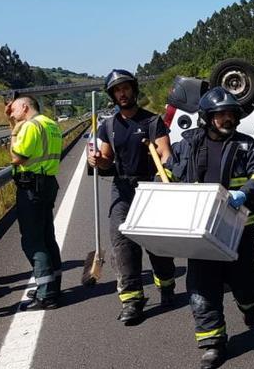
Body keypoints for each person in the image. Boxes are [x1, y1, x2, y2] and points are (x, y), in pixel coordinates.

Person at [167, 87, 254, 369]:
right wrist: (161, 179)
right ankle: (213, 343)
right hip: (199, 230)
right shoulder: (186, 146)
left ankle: (250, 302)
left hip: (237, 230)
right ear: (207, 117)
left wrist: (245, 193)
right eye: (221, 114)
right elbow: (168, 171)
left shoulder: (247, 146)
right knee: (201, 288)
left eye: (231, 114)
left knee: (244, 282)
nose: (228, 118)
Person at [88, 69, 175, 325]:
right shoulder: (109, 125)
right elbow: (106, 161)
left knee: (157, 245)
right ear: (112, 96)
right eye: (117, 90)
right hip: (122, 189)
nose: (122, 93)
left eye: (125, 88)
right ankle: (132, 300)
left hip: (150, 187)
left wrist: (165, 172)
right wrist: (97, 160)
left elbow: (166, 154)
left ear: (133, 90)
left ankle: (166, 283)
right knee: (122, 243)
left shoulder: (152, 121)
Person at [7, 95, 64, 310]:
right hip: (47, 183)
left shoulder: (30, 126)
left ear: (24, 107)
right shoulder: (50, 124)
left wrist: (14, 130)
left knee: (32, 241)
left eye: (13, 110)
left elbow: (16, 157)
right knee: (47, 237)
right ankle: (53, 285)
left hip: (31, 187)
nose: (12, 113)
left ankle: (46, 295)